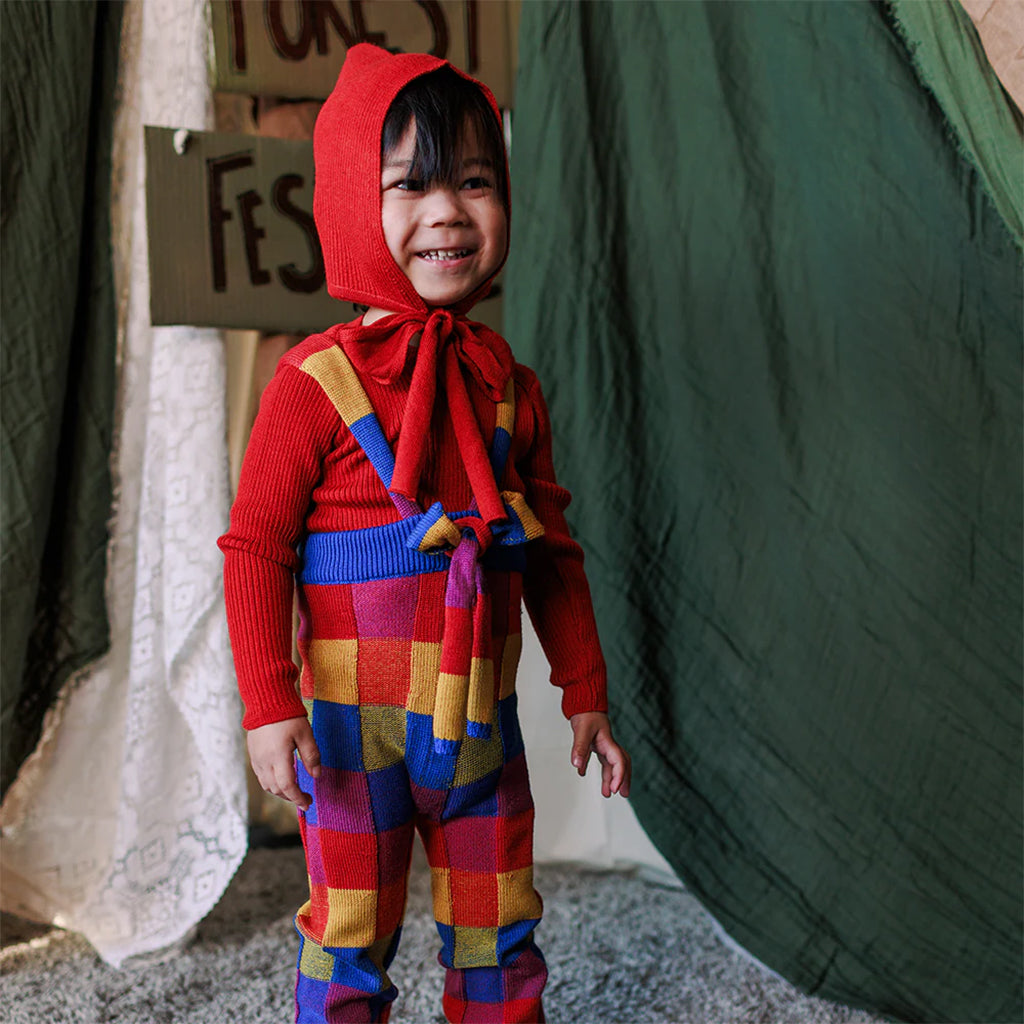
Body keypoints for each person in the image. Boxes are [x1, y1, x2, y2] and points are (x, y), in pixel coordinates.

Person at [218, 42, 631, 1024]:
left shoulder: (508, 388)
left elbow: (551, 554)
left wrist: (584, 687)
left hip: (479, 729)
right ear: (353, 207)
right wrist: (268, 703)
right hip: (349, 741)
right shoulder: (313, 386)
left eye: (476, 182)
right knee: (349, 925)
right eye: (409, 186)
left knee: (499, 922)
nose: (448, 210)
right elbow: (256, 549)